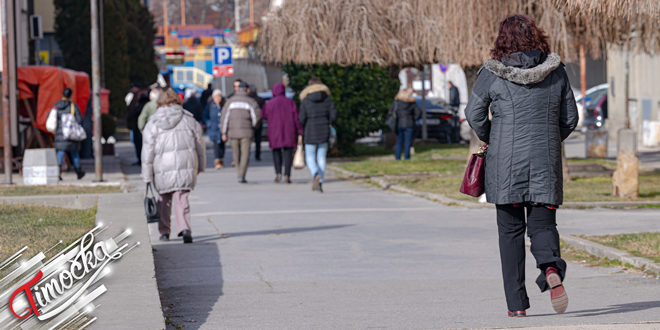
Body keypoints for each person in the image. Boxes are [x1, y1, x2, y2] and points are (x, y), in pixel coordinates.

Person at [464, 14, 578, 318]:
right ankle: (551, 267)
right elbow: (570, 119)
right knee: (543, 225)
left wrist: (494, 139)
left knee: (510, 233)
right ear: (537, 37)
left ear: (503, 40)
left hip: (505, 167)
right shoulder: (556, 72)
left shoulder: (491, 73)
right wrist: (551, 139)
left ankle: (516, 306)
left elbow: (474, 114)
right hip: (545, 163)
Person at [142, 88, 206, 244]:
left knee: (164, 199)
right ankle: (185, 229)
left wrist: (147, 175)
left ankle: (164, 232)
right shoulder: (189, 119)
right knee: (182, 197)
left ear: (159, 103)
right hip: (185, 164)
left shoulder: (152, 123)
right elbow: (200, 145)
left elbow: (147, 151)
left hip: (162, 167)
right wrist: (201, 166)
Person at [299, 77, 337, 192]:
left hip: (310, 130)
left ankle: (315, 173)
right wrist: (329, 123)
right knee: (321, 157)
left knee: (309, 156)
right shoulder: (327, 99)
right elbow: (334, 115)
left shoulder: (306, 100)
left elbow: (302, 118)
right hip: (324, 129)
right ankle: (320, 183)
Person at [261, 82, 303, 183]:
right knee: (288, 152)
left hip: (274, 131)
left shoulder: (270, 103)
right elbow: (296, 118)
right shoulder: (290, 102)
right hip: (289, 131)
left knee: (276, 152)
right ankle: (287, 174)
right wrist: (300, 131)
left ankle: (278, 172)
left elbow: (263, 115)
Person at [220, 81, 261, 183]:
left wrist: (223, 132)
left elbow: (224, 118)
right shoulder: (251, 101)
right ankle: (241, 174)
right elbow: (257, 117)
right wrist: (253, 127)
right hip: (246, 132)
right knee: (245, 154)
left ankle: (239, 172)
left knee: (236, 154)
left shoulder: (230, 101)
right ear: (247, 90)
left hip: (233, 133)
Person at [54, 88, 85, 180]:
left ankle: (57, 172)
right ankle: (79, 172)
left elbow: (51, 118)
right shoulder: (73, 106)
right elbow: (80, 120)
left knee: (60, 152)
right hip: (71, 133)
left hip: (60, 133)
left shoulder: (56, 105)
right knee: (75, 153)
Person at [389, 88, 421, 160]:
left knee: (399, 141)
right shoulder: (411, 103)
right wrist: (413, 119)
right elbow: (418, 112)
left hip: (399, 124)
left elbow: (391, 111)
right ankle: (407, 157)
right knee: (408, 142)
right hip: (409, 124)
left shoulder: (396, 102)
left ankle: (397, 157)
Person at [203, 89, 226, 169]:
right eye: (216, 97)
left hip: (223, 129)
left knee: (222, 145)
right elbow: (205, 116)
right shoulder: (209, 106)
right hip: (213, 128)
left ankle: (221, 160)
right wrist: (209, 124)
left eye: (219, 97)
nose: (218, 98)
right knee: (216, 145)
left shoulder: (224, 105)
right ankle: (217, 161)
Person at [127, 92, 149, 166]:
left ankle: (140, 160)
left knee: (139, 146)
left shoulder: (139, 106)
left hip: (139, 130)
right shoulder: (149, 105)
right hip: (149, 130)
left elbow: (131, 115)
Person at [249, 84, 266, 161]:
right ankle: (257, 155)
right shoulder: (260, 100)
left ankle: (247, 155)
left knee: (247, 140)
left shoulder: (247, 100)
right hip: (259, 122)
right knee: (258, 140)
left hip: (248, 123)